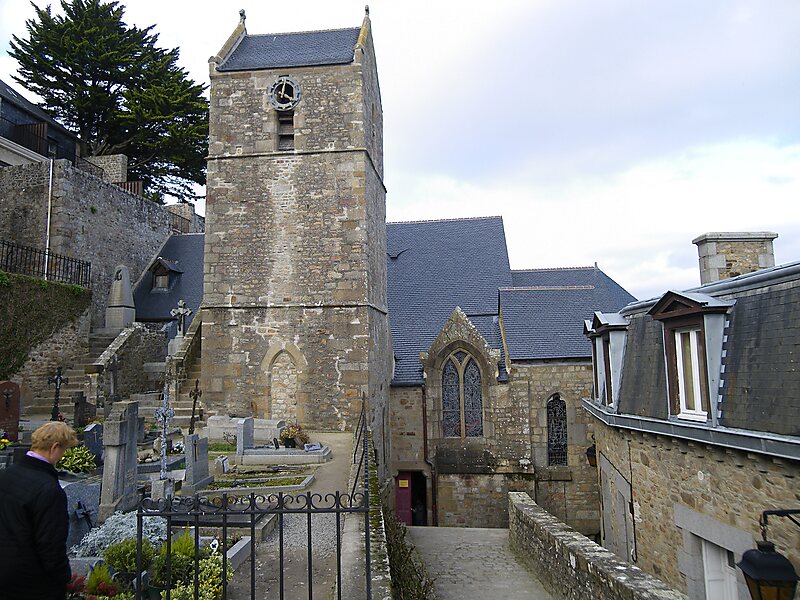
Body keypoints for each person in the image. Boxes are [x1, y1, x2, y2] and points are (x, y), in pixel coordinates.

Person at [0, 421, 79, 599]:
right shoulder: (49, 489)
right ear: (54, 447)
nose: (63, 455)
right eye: (64, 450)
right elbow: (51, 546)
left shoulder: (8, 474)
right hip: (32, 582)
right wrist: (64, 578)